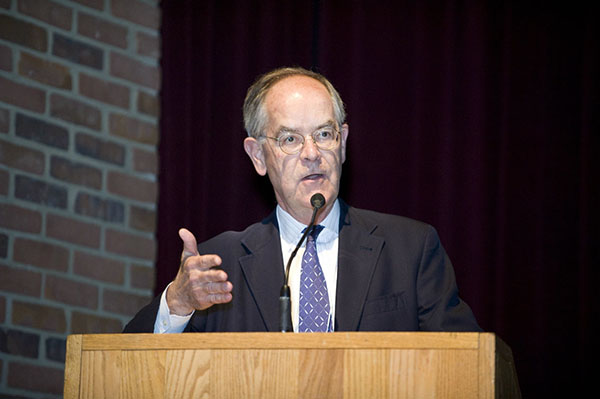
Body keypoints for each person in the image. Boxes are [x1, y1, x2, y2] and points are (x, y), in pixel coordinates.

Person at [124, 67, 481, 333]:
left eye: (324, 134)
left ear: (342, 142)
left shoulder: (410, 250)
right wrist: (179, 303)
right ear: (258, 157)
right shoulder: (219, 267)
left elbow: (470, 365)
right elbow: (128, 368)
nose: (312, 153)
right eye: (291, 139)